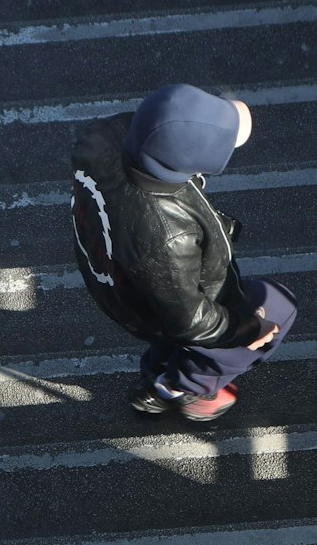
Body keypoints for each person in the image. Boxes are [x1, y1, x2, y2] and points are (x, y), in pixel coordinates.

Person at [69, 83, 298, 423]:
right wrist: (249, 329)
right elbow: (192, 322)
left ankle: (159, 368)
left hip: (118, 281)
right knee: (280, 309)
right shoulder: (170, 238)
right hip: (159, 301)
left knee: (166, 330)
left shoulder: (103, 135)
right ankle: (175, 388)